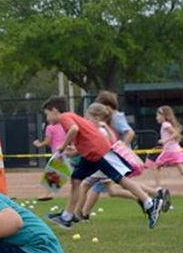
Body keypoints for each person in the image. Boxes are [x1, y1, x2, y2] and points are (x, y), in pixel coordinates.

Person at [42, 97, 164, 230]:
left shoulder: (65, 117)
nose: (47, 118)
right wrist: (72, 152)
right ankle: (67, 216)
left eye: (47, 114)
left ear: (54, 110)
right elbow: (84, 137)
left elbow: (74, 129)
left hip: (98, 152)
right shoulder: (71, 116)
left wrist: (62, 146)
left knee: (120, 179)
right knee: (76, 180)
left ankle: (150, 204)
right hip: (91, 154)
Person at [153, 106, 183, 188]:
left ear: (164, 116)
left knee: (156, 166)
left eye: (158, 115)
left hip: (170, 151)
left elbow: (175, 133)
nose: (157, 118)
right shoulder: (167, 124)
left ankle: (158, 187)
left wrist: (164, 141)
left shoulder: (165, 124)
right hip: (176, 150)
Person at [32, 122, 67, 200]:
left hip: (57, 152)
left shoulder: (50, 127)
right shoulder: (65, 125)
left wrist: (39, 144)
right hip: (66, 151)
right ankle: (47, 193)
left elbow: (48, 141)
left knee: (52, 173)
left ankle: (47, 194)